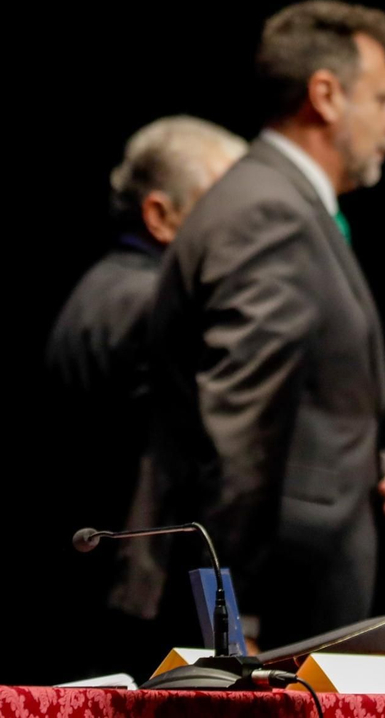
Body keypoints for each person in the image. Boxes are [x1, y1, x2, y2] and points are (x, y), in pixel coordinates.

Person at [123, 0, 385, 650]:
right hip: (276, 617)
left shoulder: (282, 204)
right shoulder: (268, 212)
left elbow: (302, 411)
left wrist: (377, 471)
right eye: (384, 99)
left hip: (296, 602)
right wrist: (232, 632)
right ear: (325, 95)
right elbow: (236, 437)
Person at [46, 115, 245, 532]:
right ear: (160, 216)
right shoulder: (165, 307)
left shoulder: (98, 285)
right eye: (227, 205)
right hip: (153, 556)